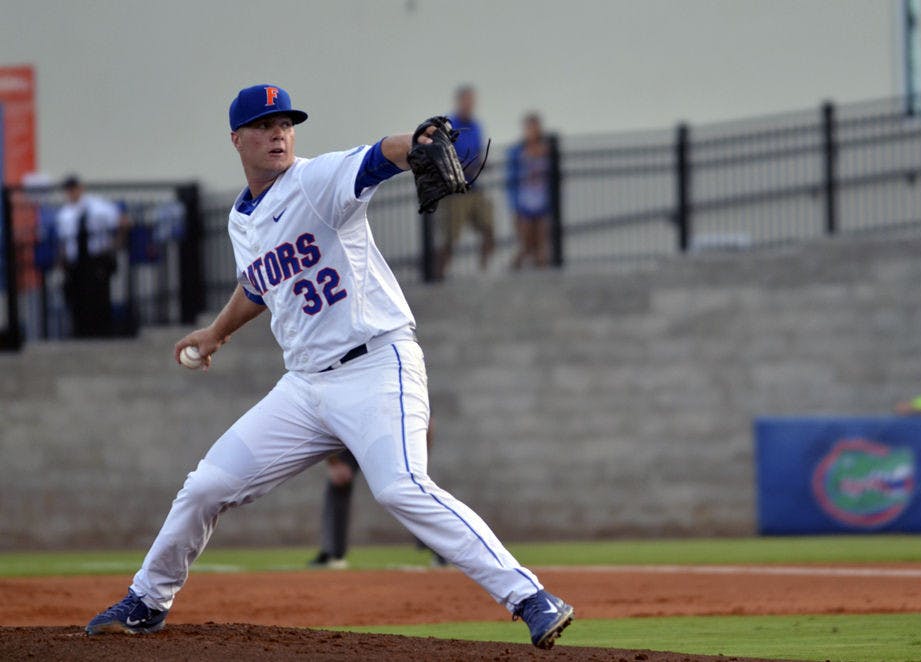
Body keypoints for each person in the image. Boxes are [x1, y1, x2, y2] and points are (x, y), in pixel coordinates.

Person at [84, 84, 573, 650]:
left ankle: (531, 597)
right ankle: (147, 600)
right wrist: (216, 332)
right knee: (205, 487)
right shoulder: (241, 220)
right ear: (236, 139)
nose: (278, 133)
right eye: (265, 125)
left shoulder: (314, 181)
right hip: (306, 386)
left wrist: (415, 141)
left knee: (398, 487)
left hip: (376, 364)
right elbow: (260, 284)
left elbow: (374, 159)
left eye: (286, 123)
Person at [310, 417, 447, 569]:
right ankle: (332, 552)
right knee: (337, 485)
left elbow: (427, 420)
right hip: (351, 434)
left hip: (388, 434)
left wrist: (419, 463)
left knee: (410, 489)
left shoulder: (404, 397)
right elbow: (325, 418)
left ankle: (441, 549)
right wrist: (334, 463)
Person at [434, 85, 494, 278]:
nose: (470, 105)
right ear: (459, 102)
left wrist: (482, 163)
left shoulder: (476, 125)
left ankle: (483, 268)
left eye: (472, 101)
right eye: (467, 100)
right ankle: (437, 274)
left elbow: (479, 153)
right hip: (454, 192)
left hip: (474, 188)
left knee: (489, 228)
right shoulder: (448, 125)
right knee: (451, 238)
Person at [55, 176, 126, 337]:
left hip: (96, 258)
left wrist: (114, 247)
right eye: (68, 190)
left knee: (99, 296)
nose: (70, 193)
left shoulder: (98, 207)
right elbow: (63, 241)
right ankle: (81, 331)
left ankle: (102, 331)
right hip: (75, 262)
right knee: (77, 298)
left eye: (73, 189)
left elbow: (121, 222)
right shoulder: (65, 213)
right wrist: (62, 260)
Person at [506, 113, 551, 270]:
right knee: (526, 245)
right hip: (524, 203)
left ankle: (544, 275)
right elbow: (511, 180)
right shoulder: (516, 152)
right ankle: (513, 267)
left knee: (541, 246)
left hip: (542, 203)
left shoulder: (548, 150)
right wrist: (514, 206)